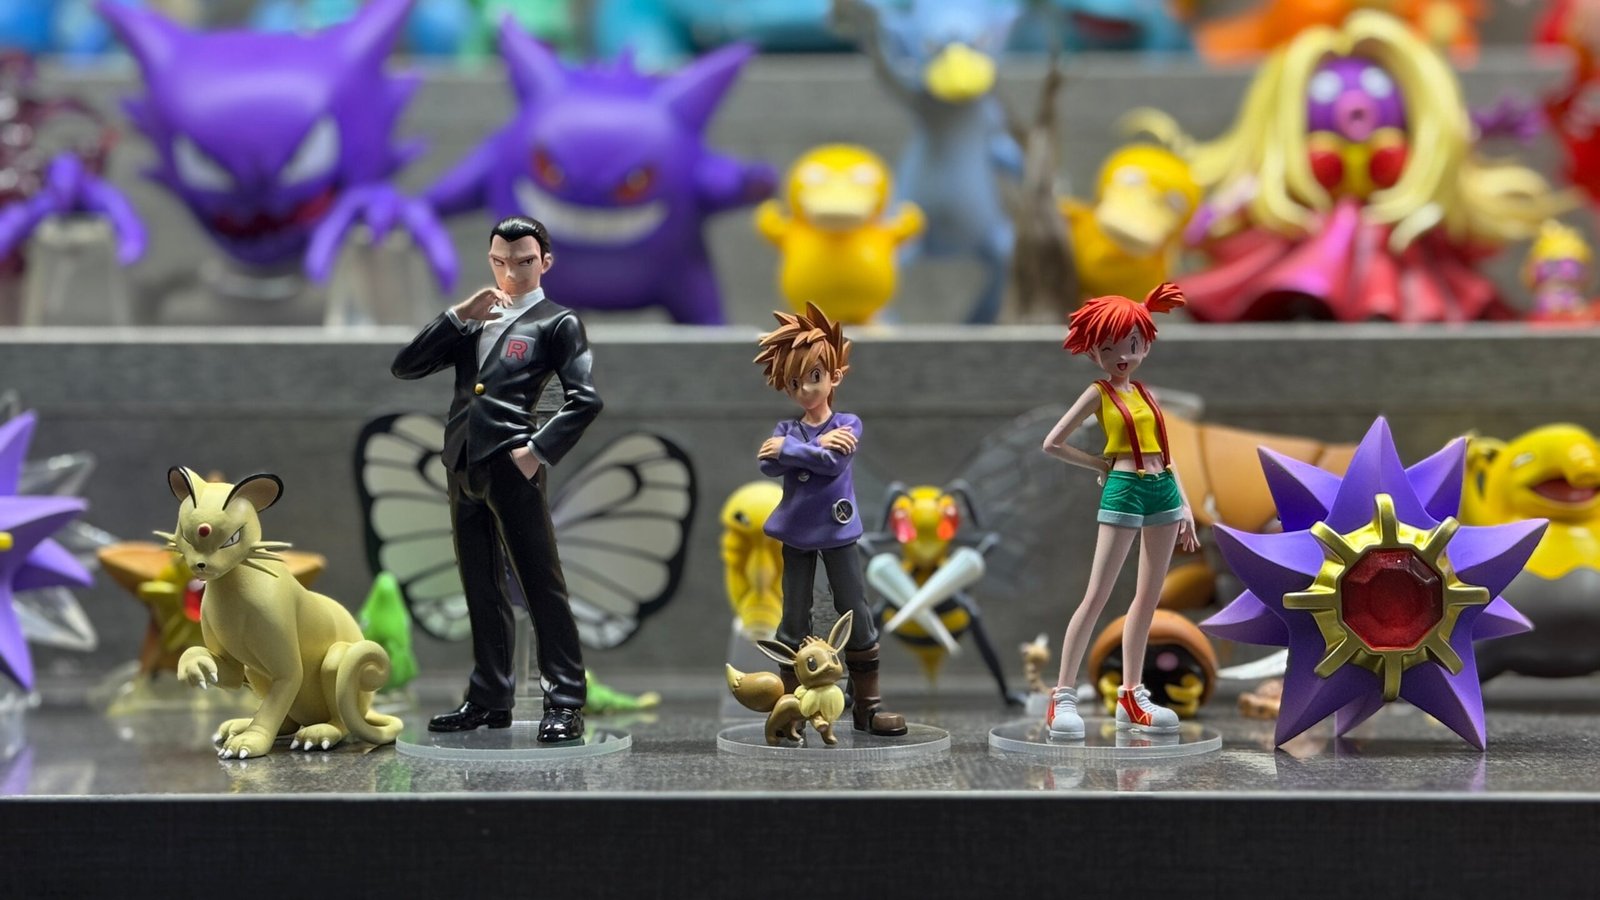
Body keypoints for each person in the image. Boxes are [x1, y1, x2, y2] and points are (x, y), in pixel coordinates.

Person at [391, 215, 602, 743]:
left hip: (512, 465)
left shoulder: (557, 322)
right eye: (501, 262)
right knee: (479, 585)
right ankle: (489, 696)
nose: (511, 272)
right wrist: (457, 315)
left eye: (524, 262)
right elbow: (406, 365)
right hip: (463, 463)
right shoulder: (477, 319)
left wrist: (535, 452)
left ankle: (566, 700)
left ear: (545, 262)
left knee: (540, 585)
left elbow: (584, 400)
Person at [1040, 282, 1200, 740]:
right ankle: (1062, 696)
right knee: (1097, 595)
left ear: (1145, 343)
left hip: (1163, 491)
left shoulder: (1146, 394)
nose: (1122, 356)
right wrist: (1102, 465)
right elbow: (1052, 443)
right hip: (1125, 489)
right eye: (1109, 348)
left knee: (1148, 599)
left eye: (1131, 344)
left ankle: (1132, 695)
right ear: (1094, 353)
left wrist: (1185, 504)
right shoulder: (1098, 393)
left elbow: (1165, 452)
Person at [753, 302, 905, 736]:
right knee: (793, 616)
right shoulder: (788, 428)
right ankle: (790, 708)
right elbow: (767, 464)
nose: (805, 389)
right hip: (796, 531)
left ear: (835, 375)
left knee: (854, 608)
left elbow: (834, 463)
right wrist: (806, 449)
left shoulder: (847, 424)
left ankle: (867, 707)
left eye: (814, 377)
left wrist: (791, 452)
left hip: (837, 531)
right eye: (794, 382)